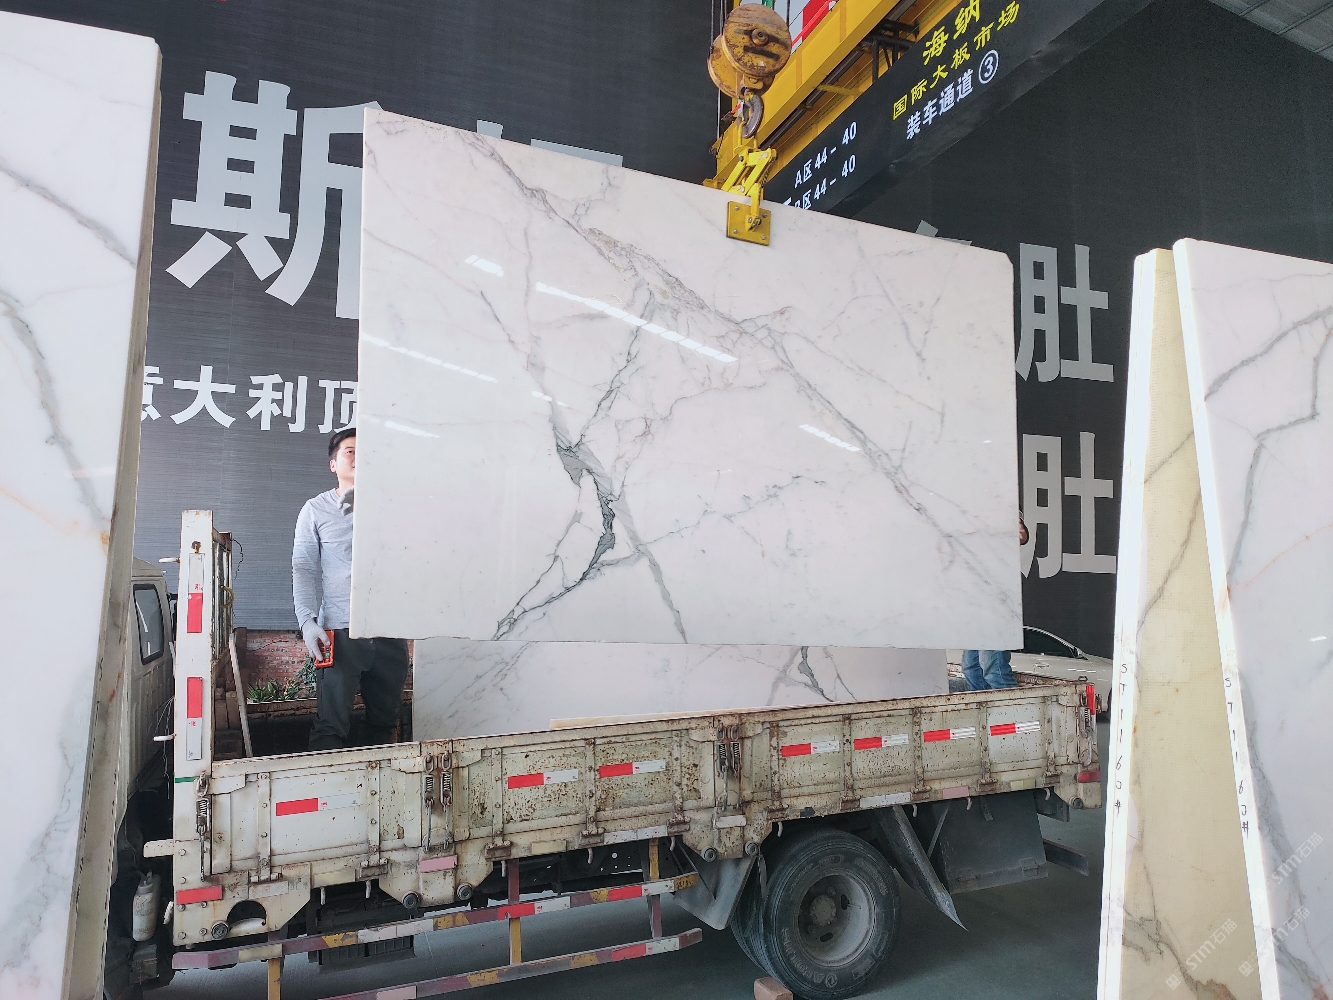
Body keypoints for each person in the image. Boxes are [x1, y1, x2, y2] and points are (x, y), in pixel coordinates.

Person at [293, 427, 409, 751]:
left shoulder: (392, 507)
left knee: (385, 722)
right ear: (333, 464)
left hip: (388, 630)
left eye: (365, 451)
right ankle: (325, 784)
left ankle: (375, 783)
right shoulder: (315, 509)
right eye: (350, 451)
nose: (359, 457)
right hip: (340, 632)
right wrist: (306, 621)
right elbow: (303, 568)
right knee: (330, 726)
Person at [962, 513, 1029, 691]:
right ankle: (983, 708)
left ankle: (1013, 706)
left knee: (993, 668)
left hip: (997, 602)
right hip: (978, 602)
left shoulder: (999, 509)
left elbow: (1022, 535)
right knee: (971, 668)